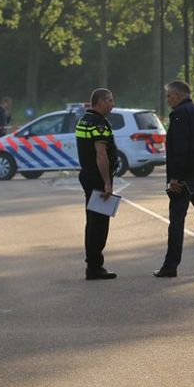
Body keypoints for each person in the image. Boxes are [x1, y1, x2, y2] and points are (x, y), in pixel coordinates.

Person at [153, 80, 194, 278]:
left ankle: (170, 266)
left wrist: (175, 177)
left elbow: (180, 149)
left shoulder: (179, 115)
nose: (168, 100)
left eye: (169, 96)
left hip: (184, 179)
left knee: (176, 222)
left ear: (179, 95)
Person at [76, 88, 118, 281]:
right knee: (100, 224)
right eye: (109, 100)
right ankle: (95, 267)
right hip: (98, 178)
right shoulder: (99, 123)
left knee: (91, 222)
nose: (112, 104)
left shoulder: (84, 120)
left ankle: (92, 264)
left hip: (87, 175)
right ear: (100, 102)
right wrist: (107, 182)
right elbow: (101, 155)